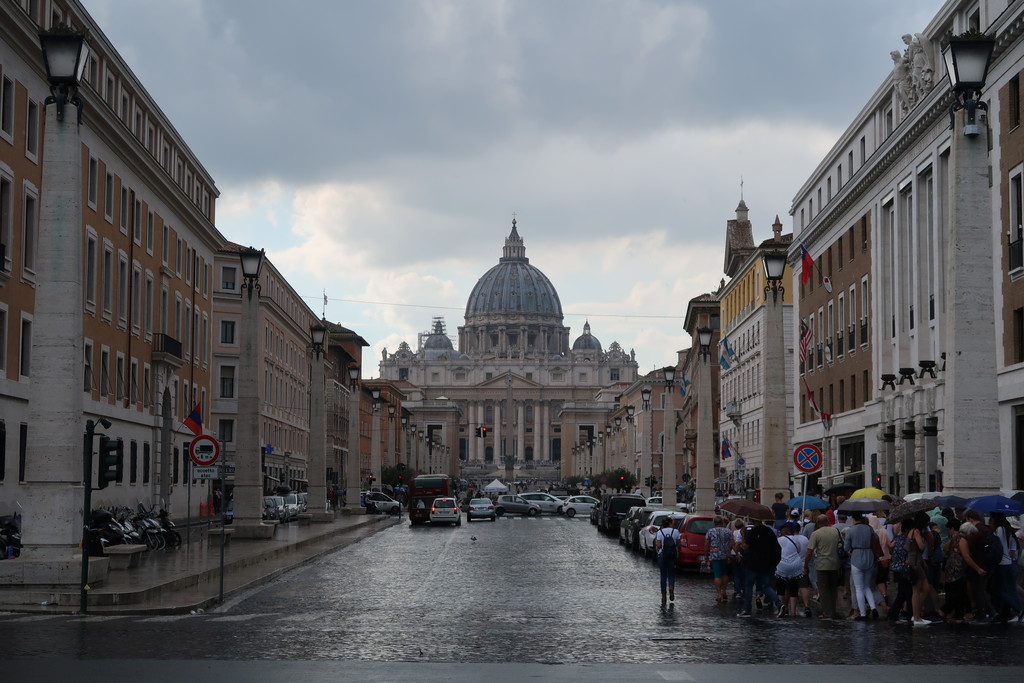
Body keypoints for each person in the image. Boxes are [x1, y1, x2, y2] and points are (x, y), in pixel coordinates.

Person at [737, 515, 783, 617]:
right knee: (766, 586)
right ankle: (779, 604)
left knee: (748, 586)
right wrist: (773, 563)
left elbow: (746, 547)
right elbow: (776, 548)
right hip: (765, 564)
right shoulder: (769, 532)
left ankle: (747, 610)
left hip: (752, 564)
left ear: (753, 520)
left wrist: (741, 542)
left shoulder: (752, 532)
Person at [844, 512, 880, 620]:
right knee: (866, 586)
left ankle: (863, 613)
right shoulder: (869, 529)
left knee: (859, 588)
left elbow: (846, 548)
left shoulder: (850, 530)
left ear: (854, 519)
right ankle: (873, 607)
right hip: (869, 557)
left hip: (856, 557)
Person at [805, 515, 842, 619]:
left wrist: (805, 564)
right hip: (835, 563)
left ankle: (826, 612)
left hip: (822, 564)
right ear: (828, 521)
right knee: (833, 589)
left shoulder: (816, 534)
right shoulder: (835, 531)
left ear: (817, 523)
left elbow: (809, 552)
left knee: (823, 589)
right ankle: (833, 611)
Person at [989, 512, 1023, 623]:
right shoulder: (1006, 529)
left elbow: (998, 546)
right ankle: (1015, 611)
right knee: (1010, 589)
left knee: (1000, 590)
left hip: (1001, 563)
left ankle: (1019, 610)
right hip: (1008, 562)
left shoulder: (999, 529)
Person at [775, 521, 807, 617]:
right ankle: (793, 612)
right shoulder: (796, 539)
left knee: (781, 588)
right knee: (793, 589)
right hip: (795, 565)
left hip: (782, 564)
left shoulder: (778, 540)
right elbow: (799, 550)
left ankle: (781, 608)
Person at [704, 516, 734, 603]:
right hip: (725, 554)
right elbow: (732, 543)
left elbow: (706, 544)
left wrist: (706, 555)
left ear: (714, 523)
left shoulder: (710, 531)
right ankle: (724, 591)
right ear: (722, 522)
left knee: (717, 574)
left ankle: (718, 593)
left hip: (715, 554)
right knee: (724, 573)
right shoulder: (728, 531)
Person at [655, 516, 681, 607]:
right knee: (671, 574)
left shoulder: (660, 532)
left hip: (663, 555)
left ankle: (663, 596)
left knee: (663, 575)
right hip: (672, 555)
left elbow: (658, 544)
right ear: (670, 523)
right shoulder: (676, 532)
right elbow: (678, 544)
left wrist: (659, 550)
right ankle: (671, 588)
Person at [731, 518, 747, 602]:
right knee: (743, 574)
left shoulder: (733, 532)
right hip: (742, 554)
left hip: (734, 554)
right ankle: (744, 591)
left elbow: (733, 544)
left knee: (736, 574)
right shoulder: (745, 532)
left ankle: (737, 591)